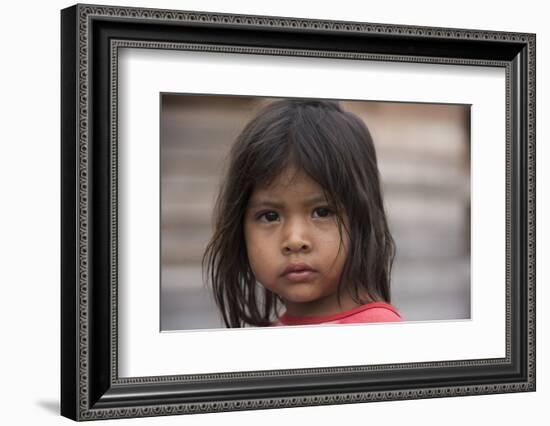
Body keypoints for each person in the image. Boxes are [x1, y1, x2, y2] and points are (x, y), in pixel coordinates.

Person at [202, 99, 402, 327]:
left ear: (362, 220)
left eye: (322, 212)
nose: (295, 240)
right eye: (270, 216)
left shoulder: (378, 330)